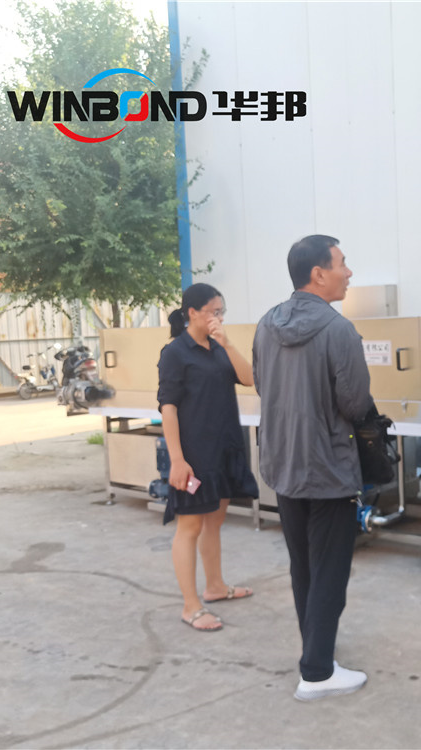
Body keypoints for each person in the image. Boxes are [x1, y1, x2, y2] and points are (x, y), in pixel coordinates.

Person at [253, 234, 373, 701]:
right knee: (330, 572)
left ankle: (315, 650)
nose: (349, 272)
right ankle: (318, 671)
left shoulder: (266, 325)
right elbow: (355, 403)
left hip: (282, 463)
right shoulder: (339, 331)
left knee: (303, 565)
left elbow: (263, 384)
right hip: (328, 468)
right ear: (319, 274)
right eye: (342, 263)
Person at [158, 283, 259, 632]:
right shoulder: (175, 353)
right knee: (190, 526)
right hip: (194, 455)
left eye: (221, 312)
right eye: (214, 312)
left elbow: (249, 379)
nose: (219, 318)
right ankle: (191, 606)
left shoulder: (218, 348)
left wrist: (227, 343)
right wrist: (177, 459)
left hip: (224, 449)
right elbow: (168, 408)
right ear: (192, 313)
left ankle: (215, 586)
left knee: (214, 520)